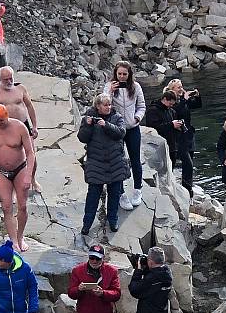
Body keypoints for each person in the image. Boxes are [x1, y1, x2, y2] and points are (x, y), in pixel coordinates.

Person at [0, 104, 36, 251]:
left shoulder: (19, 127)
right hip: (1, 171)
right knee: (6, 206)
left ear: (7, 116)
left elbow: (30, 153)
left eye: (1, 120)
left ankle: (20, 236)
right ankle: (13, 240)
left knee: (22, 206)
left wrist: (29, 176)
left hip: (20, 169)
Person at [77, 93, 130, 235]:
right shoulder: (88, 119)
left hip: (115, 162)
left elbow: (121, 132)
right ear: (98, 106)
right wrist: (88, 126)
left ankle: (113, 220)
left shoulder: (117, 117)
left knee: (114, 195)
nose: (108, 107)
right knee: (93, 196)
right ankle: (86, 224)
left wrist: (106, 125)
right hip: (96, 163)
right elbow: (82, 138)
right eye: (105, 105)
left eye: (110, 104)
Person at [104, 61, 146, 210]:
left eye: (124, 74)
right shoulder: (109, 86)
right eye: (119, 74)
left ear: (129, 75)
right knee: (118, 161)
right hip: (116, 129)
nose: (121, 77)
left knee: (135, 159)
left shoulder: (136, 87)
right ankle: (121, 193)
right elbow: (103, 105)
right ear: (115, 74)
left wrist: (137, 118)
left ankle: (138, 189)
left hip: (132, 128)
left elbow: (142, 106)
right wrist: (109, 91)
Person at [0, 67, 42, 192]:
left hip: (24, 124)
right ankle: (15, 189)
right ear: (0, 79)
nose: (9, 81)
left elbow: (30, 106)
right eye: (6, 79)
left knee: (32, 155)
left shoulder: (20, 88)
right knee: (13, 160)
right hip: (9, 127)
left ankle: (33, 179)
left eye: (11, 78)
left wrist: (35, 126)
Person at [165, 78, 201, 194]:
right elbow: (176, 112)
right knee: (187, 163)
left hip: (189, 134)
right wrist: (184, 100)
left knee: (190, 161)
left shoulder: (182, 100)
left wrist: (197, 96)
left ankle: (187, 187)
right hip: (178, 137)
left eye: (181, 86)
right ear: (172, 90)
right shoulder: (170, 102)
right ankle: (186, 188)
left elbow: (197, 105)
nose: (181, 89)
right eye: (178, 87)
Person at [143, 90, 180, 163]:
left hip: (171, 145)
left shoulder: (171, 111)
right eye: (170, 103)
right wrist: (171, 124)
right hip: (157, 146)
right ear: (165, 99)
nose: (171, 106)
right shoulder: (152, 111)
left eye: (172, 104)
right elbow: (153, 128)